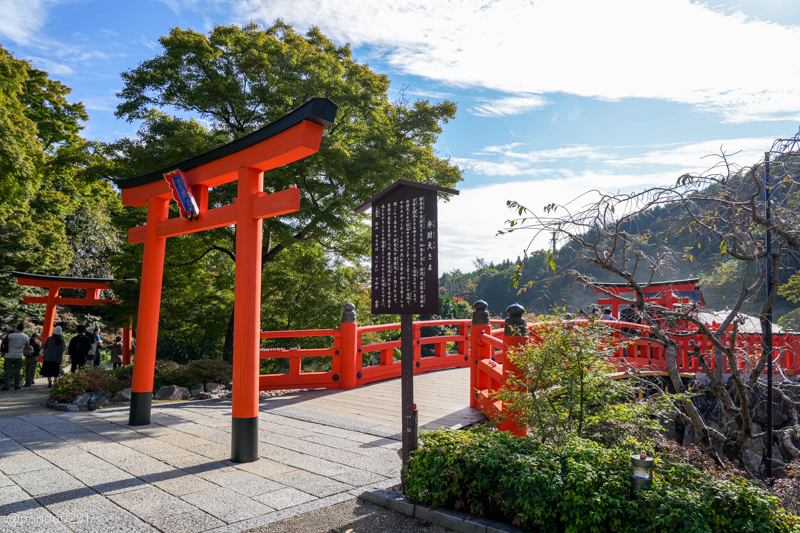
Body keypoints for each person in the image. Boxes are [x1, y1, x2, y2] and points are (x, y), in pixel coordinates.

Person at [3, 324, 29, 391]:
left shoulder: (10, 335)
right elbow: (26, 346)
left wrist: (7, 332)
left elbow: (1, 337)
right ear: (23, 329)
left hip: (9, 355)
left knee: (7, 370)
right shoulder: (26, 337)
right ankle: (17, 385)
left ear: (16, 328)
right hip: (19, 355)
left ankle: (6, 386)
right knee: (18, 370)